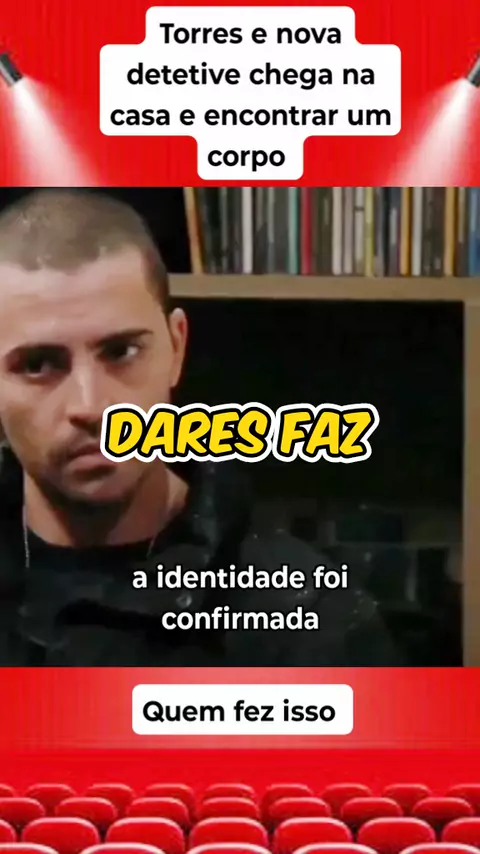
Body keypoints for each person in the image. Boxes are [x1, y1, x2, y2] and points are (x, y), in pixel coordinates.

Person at [0, 188, 400, 666]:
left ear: (176, 347)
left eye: (122, 352)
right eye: (39, 364)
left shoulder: (310, 619)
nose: (89, 406)